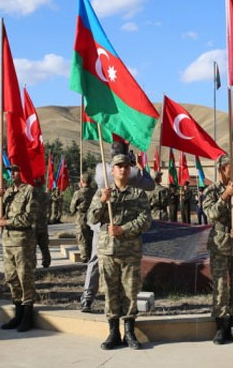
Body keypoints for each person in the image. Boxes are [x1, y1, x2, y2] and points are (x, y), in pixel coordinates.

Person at [81, 141, 154, 313]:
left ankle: (87, 297)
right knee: (127, 268)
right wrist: (139, 165)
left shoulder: (100, 169)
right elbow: (151, 185)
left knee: (94, 261)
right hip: (126, 229)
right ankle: (125, 302)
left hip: (102, 227)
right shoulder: (133, 172)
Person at [88, 153, 151, 350]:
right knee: (110, 292)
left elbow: (145, 220)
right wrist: (102, 201)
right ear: (112, 170)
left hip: (130, 251)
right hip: (108, 250)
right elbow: (91, 218)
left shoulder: (138, 194)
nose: (122, 169)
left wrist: (124, 229)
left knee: (131, 291)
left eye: (126, 166)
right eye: (118, 166)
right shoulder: (102, 193)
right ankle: (113, 332)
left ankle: (130, 332)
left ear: (130, 169)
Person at [203, 154, 233, 345]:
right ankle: (220, 327)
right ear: (222, 169)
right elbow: (211, 214)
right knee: (220, 286)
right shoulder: (211, 191)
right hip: (219, 244)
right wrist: (224, 196)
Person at [0, 165, 39, 332]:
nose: (12, 174)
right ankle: (18, 313)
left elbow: (29, 218)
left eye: (15, 170)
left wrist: (7, 222)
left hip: (23, 242)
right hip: (8, 242)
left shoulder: (29, 191)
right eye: (10, 171)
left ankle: (27, 315)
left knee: (25, 278)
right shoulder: (8, 192)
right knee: (11, 278)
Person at [70, 173, 96, 262]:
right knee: (91, 237)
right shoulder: (95, 192)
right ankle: (92, 255)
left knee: (82, 237)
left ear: (82, 181)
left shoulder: (78, 193)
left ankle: (84, 257)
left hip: (81, 217)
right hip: (93, 216)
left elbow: (72, 208)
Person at [33, 178, 51, 268]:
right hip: (43, 223)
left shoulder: (32, 194)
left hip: (34, 223)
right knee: (44, 245)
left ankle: (33, 263)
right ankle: (46, 261)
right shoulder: (46, 195)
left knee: (32, 246)